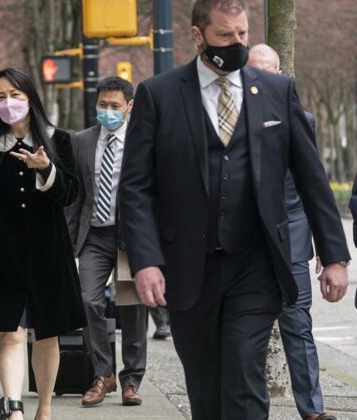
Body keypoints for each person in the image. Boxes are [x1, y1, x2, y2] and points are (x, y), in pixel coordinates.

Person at [118, 1, 350, 419]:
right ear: (197, 36)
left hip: (255, 264)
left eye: (242, 34)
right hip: (187, 267)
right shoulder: (160, 95)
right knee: (205, 388)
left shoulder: (277, 92)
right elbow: (135, 188)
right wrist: (146, 261)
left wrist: (334, 255)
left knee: (245, 376)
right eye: (226, 36)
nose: (237, 43)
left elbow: (312, 177)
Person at [0, 67, 86, 420]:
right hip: (6, 255)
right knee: (11, 334)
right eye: (0, 97)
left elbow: (70, 194)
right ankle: (14, 406)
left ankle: (45, 408)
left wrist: (46, 168)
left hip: (50, 254)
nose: (8, 103)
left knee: (47, 336)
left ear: (30, 98)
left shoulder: (58, 140)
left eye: (16, 95)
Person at [248, 43, 335, 420]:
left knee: (297, 322)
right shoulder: (227, 117)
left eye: (270, 72)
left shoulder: (303, 118)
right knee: (244, 327)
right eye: (255, 71)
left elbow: (311, 183)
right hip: (246, 236)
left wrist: (326, 249)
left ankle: (312, 411)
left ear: (281, 75)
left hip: (293, 231)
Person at [65, 76, 147, 407]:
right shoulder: (81, 141)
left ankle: (131, 379)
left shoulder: (143, 142)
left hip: (131, 237)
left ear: (129, 107)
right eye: (103, 105)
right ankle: (103, 374)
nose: (108, 111)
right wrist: (70, 240)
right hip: (94, 235)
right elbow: (76, 194)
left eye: (115, 106)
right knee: (88, 301)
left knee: (133, 307)